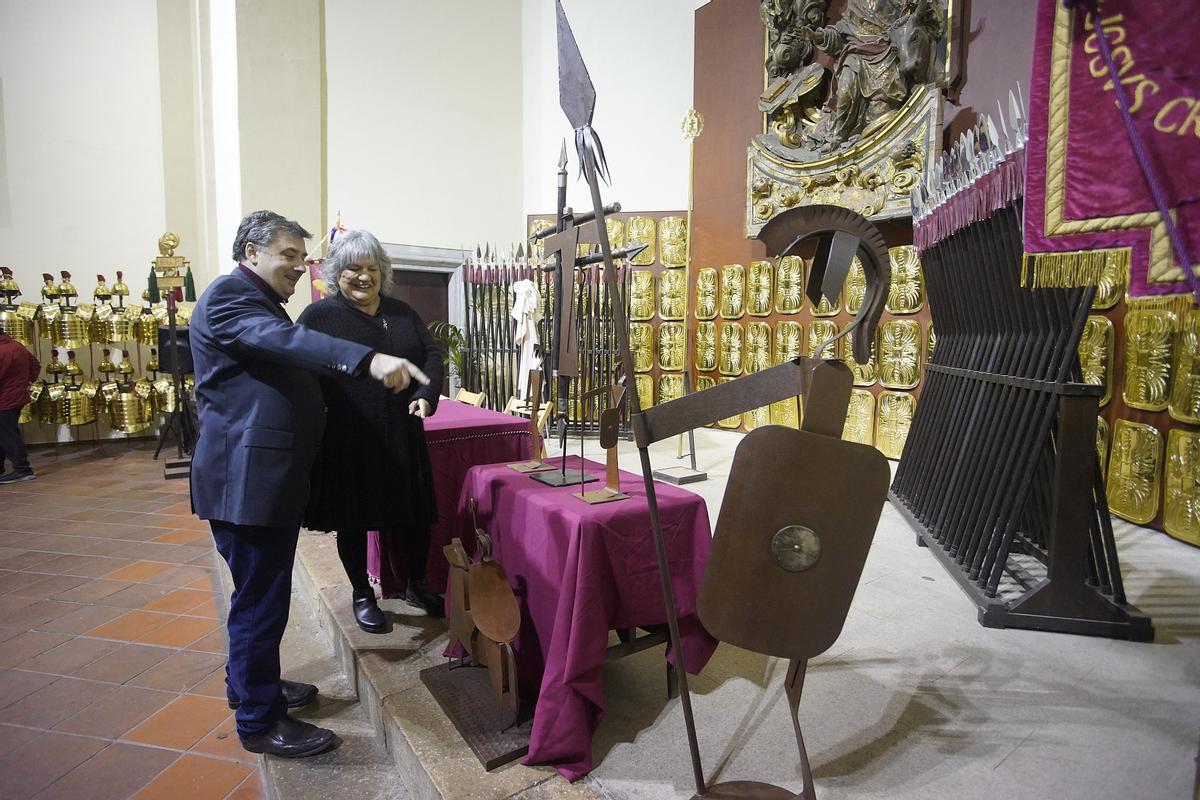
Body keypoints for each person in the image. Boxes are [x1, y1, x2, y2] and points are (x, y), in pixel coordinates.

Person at [190, 210, 428, 759]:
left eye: (303, 258)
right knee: (260, 603)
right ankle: (259, 720)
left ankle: (253, 687)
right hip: (246, 482)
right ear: (251, 252)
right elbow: (286, 343)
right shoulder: (231, 297)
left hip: (260, 479)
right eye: (288, 256)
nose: (300, 268)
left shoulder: (258, 301)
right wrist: (366, 357)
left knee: (260, 596)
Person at [299, 230, 445, 631]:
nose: (364, 276)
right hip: (348, 437)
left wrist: (428, 393)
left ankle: (415, 582)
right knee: (353, 518)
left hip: (403, 429)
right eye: (353, 268)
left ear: (383, 272)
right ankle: (362, 593)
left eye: (372, 268)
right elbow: (301, 367)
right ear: (335, 273)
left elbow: (432, 354)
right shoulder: (318, 317)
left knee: (414, 514)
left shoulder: (401, 313)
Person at [0, 331, 41, 484]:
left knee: (8, 435)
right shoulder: (16, 346)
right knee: (4, 434)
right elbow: (35, 365)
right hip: (15, 397)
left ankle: (22, 470)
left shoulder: (3, 350)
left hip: (5, 399)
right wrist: (26, 382)